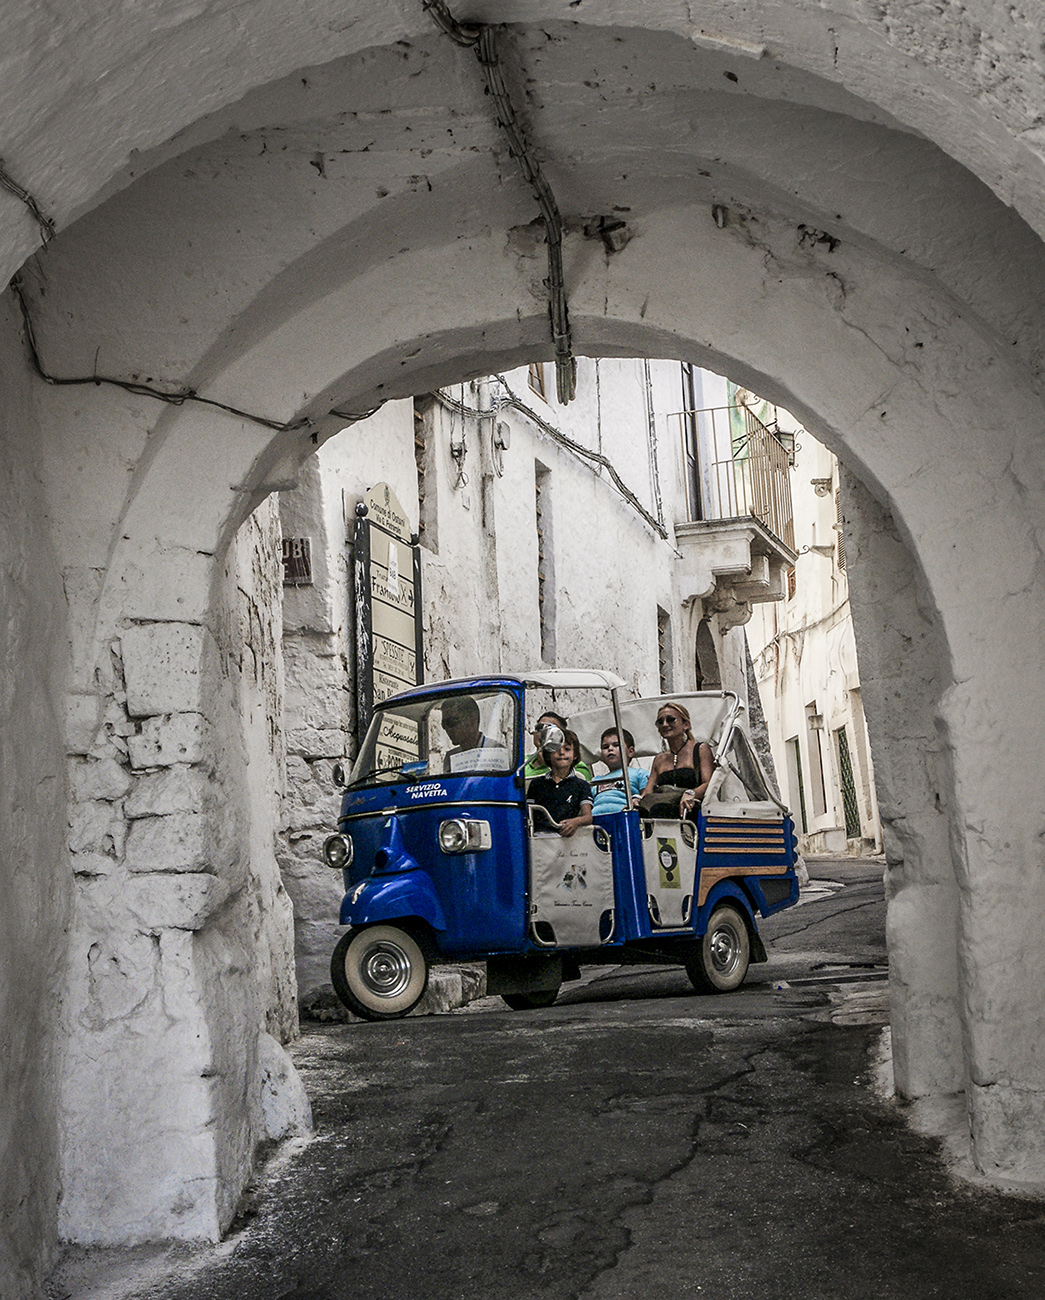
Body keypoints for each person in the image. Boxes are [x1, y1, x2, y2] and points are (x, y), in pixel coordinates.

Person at [641, 701, 714, 817]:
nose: (665, 724)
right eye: (660, 722)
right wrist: (635, 800)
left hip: (689, 808)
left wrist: (691, 793)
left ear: (686, 725)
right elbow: (648, 791)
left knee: (659, 810)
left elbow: (710, 783)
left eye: (671, 720)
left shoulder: (700, 749)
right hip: (662, 807)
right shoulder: (659, 759)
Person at [527, 729, 593, 837]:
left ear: (575, 755)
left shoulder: (582, 785)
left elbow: (587, 817)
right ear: (548, 754)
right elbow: (528, 814)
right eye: (556, 748)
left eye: (567, 749)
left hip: (568, 840)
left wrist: (575, 822)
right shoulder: (536, 784)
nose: (561, 752)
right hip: (539, 839)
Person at [590, 727, 647, 815]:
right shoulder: (595, 780)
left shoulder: (639, 773)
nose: (610, 749)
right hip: (596, 821)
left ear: (630, 751)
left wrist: (638, 800)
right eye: (605, 747)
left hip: (625, 818)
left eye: (616, 745)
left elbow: (647, 796)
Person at [523, 710, 593, 781]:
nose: (543, 732)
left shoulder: (575, 765)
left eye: (551, 729)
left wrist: (552, 764)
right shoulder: (522, 763)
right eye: (539, 727)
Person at [441, 696, 486, 771]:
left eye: (452, 722)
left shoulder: (495, 750)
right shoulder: (451, 757)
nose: (448, 729)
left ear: (472, 720)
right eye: (444, 725)